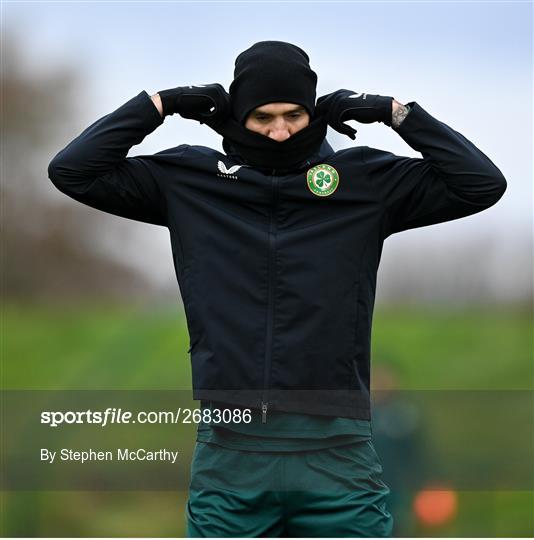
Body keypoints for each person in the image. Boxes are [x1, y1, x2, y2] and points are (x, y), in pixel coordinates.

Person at [48, 41, 507, 537]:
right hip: (231, 454)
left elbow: (480, 183)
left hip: (338, 453)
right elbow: (72, 170)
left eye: (294, 115)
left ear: (314, 113)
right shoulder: (190, 180)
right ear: (238, 116)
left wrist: (396, 114)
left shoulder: (364, 181)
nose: (281, 130)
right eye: (263, 117)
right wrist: (159, 104)